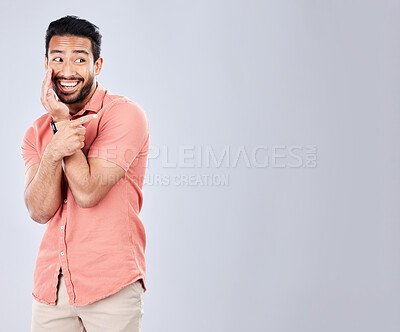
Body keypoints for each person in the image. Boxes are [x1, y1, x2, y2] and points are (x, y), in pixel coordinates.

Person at [21, 15, 149, 332]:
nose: (68, 71)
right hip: (51, 289)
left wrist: (63, 124)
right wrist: (53, 149)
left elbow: (88, 192)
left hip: (111, 286)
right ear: (46, 64)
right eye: (58, 59)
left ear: (98, 64)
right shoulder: (36, 132)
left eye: (80, 59)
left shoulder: (124, 114)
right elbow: (39, 210)